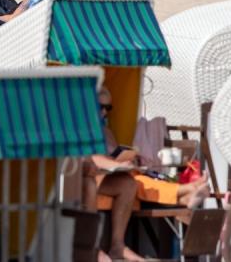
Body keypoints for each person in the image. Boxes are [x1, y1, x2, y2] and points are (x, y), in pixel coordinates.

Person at [84, 88, 209, 261]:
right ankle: (183, 194)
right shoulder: (78, 128)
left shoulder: (106, 132)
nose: (105, 112)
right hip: (86, 175)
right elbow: (90, 158)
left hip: (108, 174)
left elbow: (111, 155)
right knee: (138, 179)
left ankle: (117, 246)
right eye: (101, 106)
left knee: (129, 183)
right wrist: (116, 164)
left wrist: (125, 160)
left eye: (109, 108)